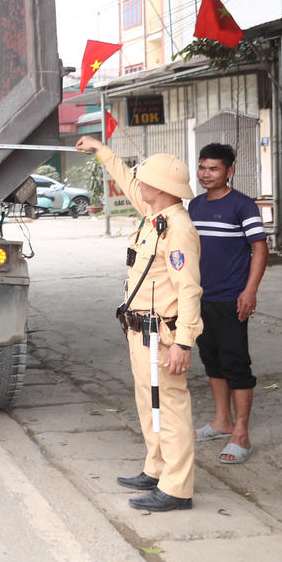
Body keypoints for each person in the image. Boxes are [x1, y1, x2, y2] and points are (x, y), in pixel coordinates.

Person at [76, 135, 203, 512]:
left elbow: (190, 290)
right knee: (150, 404)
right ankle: (157, 468)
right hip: (140, 331)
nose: (137, 184)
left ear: (161, 187)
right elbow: (128, 181)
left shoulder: (177, 228)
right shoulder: (155, 217)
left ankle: (177, 488)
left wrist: (184, 342)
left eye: (144, 179)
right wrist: (101, 152)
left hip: (164, 336)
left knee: (172, 407)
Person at [189, 143, 268, 465]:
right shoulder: (193, 206)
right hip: (199, 298)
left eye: (214, 169)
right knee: (212, 360)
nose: (206, 174)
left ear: (229, 171)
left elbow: (259, 249)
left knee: (236, 364)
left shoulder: (242, 205)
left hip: (231, 298)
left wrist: (250, 292)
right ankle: (222, 422)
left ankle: (241, 435)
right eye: (202, 167)